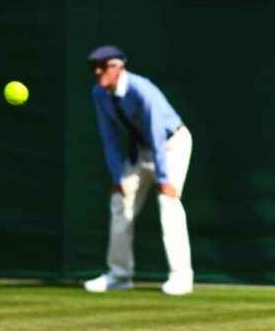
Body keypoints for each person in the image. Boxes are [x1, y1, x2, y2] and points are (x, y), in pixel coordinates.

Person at [83, 45, 195, 296]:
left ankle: (181, 277)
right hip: (140, 151)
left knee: (169, 202)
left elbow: (156, 133)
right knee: (119, 201)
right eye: (94, 68)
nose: (98, 72)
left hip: (171, 145)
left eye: (104, 67)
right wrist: (116, 176)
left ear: (119, 67)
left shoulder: (142, 91)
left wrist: (164, 178)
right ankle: (119, 276)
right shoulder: (99, 94)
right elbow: (109, 137)